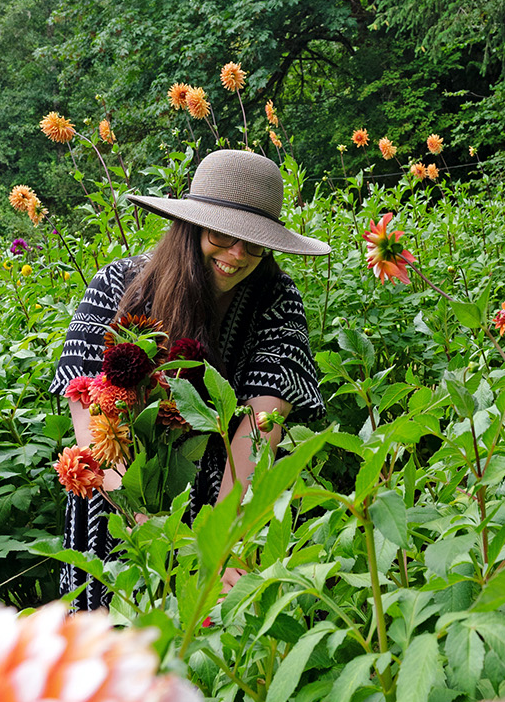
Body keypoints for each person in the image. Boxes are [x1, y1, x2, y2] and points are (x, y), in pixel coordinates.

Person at [51, 147, 329, 607]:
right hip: (119, 500)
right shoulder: (119, 286)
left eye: (255, 241)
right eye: (222, 234)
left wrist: (221, 543)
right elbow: (92, 422)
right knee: (110, 648)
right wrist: (145, 521)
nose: (237, 254)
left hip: (225, 502)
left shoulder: (277, 299)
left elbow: (262, 426)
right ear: (192, 225)